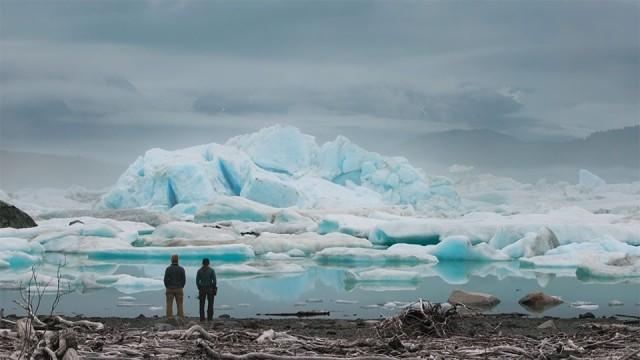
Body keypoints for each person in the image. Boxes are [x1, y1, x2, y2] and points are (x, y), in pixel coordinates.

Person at [164, 254, 185, 322]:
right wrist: (181, 286)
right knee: (180, 304)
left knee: (169, 304)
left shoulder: (168, 269)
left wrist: (168, 286)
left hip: (170, 288)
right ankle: (180, 318)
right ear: (178, 260)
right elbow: (183, 280)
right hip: (179, 288)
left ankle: (169, 318)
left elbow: (165, 280)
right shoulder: (181, 269)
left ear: (171, 260)